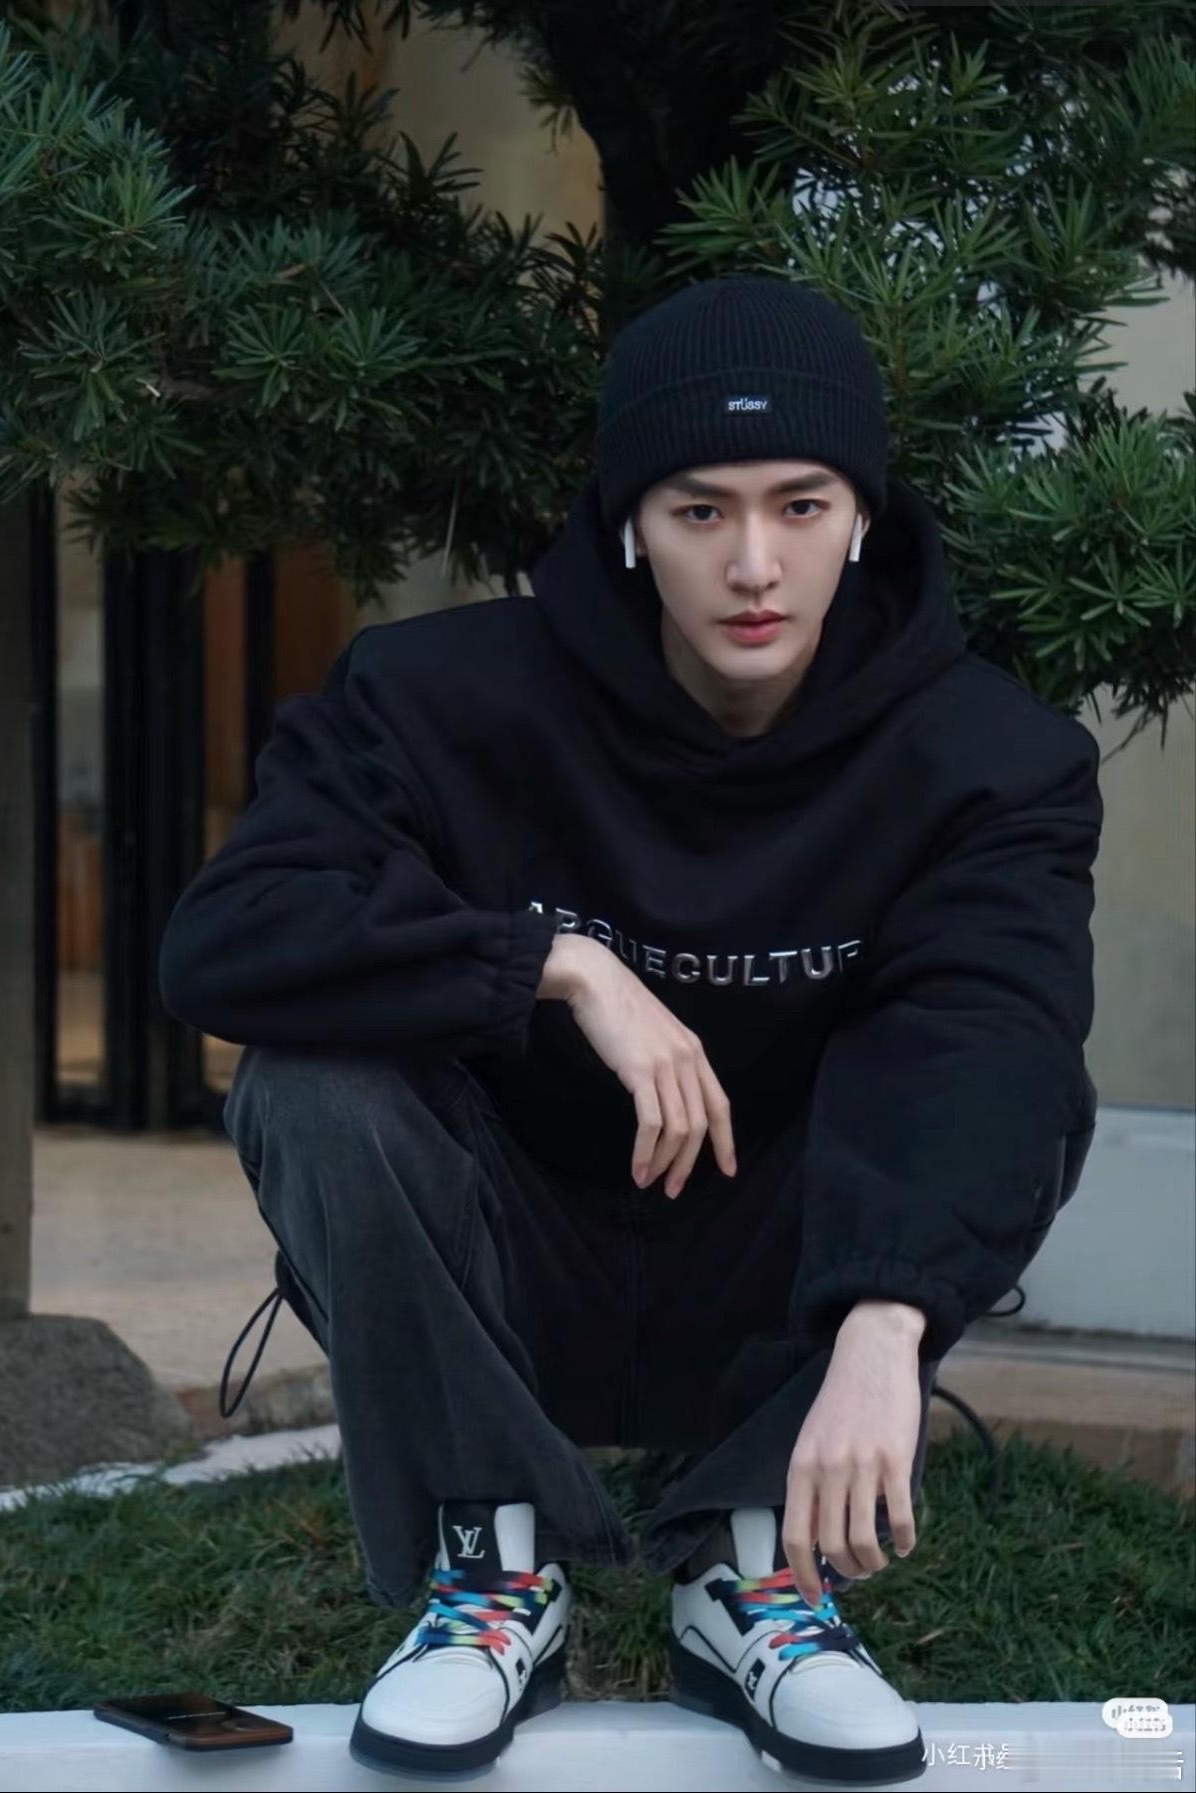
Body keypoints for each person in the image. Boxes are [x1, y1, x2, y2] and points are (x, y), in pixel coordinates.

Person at [158, 274, 1103, 1784]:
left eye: (800, 506)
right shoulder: (435, 695)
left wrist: (890, 1318)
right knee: (315, 1076)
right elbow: (229, 940)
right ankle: (494, 1565)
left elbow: (983, 1031)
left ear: (862, 517)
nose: (752, 564)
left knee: (1028, 1085)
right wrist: (554, 965)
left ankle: (753, 1570)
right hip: (497, 1264)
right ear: (626, 524)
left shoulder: (989, 754)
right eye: (698, 510)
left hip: (772, 1274)